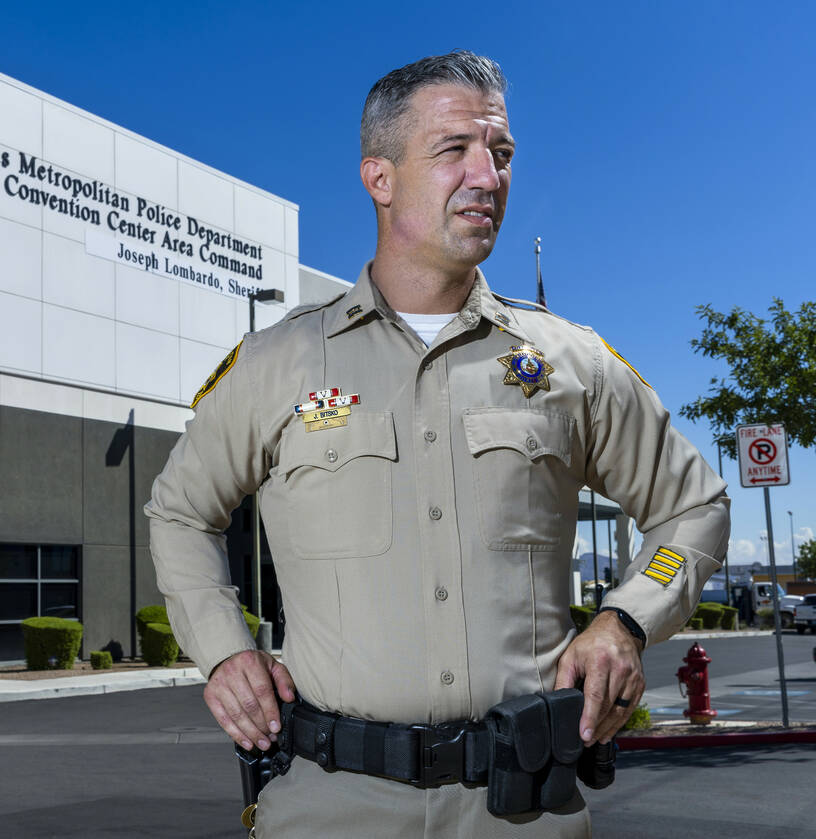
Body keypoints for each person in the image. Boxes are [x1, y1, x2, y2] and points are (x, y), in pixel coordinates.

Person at [144, 51, 729, 838]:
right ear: (379, 178)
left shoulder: (570, 361)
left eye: (503, 153)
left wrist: (625, 619)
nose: (487, 176)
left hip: (525, 809)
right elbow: (180, 512)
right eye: (454, 150)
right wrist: (223, 650)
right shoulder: (277, 363)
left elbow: (693, 506)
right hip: (330, 806)